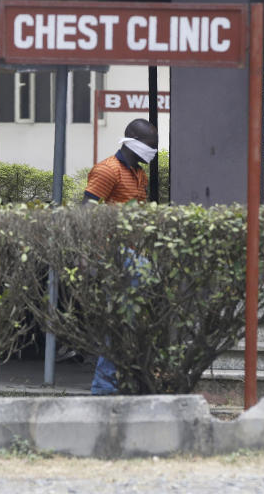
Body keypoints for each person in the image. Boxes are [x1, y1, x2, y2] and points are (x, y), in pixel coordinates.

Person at [82, 119, 158, 395]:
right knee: (118, 324)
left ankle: (120, 382)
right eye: (151, 146)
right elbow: (86, 213)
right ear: (134, 142)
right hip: (116, 256)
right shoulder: (107, 171)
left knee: (132, 324)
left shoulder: (139, 174)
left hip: (137, 256)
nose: (154, 151)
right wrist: (92, 257)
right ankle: (104, 387)